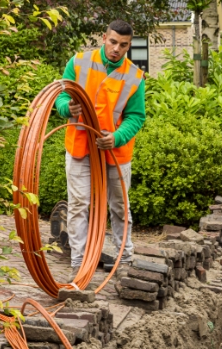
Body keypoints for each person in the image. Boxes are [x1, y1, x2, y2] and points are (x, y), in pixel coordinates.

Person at [54, 20, 146, 282]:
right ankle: (79, 265)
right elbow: (62, 95)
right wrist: (66, 108)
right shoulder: (79, 62)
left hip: (114, 152)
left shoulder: (134, 76)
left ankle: (124, 260)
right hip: (81, 147)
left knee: (119, 206)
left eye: (124, 45)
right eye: (113, 42)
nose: (117, 49)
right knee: (79, 204)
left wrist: (116, 137)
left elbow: (136, 117)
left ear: (130, 45)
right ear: (104, 38)